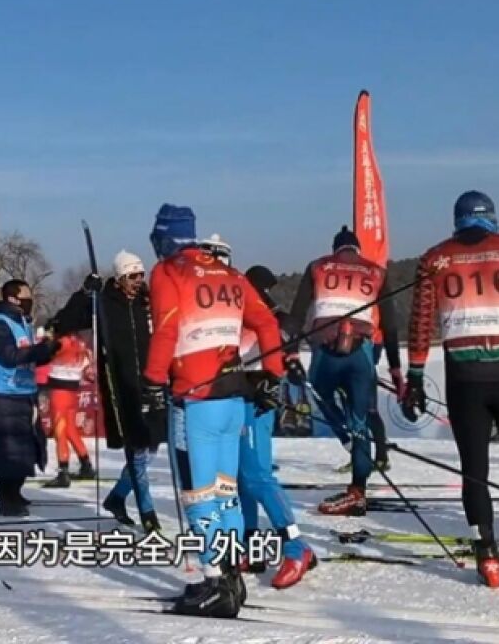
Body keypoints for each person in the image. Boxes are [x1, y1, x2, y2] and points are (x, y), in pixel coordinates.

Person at [403, 191, 499, 588]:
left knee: (474, 471)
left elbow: (421, 322)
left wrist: (416, 376)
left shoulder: (435, 258)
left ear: (456, 219)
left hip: (465, 376)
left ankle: (486, 553)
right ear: (492, 216)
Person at [142, 204, 289, 618]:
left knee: (200, 494)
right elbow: (267, 323)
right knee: (226, 493)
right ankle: (230, 576)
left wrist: (153, 381)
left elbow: (168, 327)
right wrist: (272, 375)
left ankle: (212, 582)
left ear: (165, 238)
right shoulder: (230, 273)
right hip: (233, 398)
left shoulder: (168, 272)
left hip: (196, 398)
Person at [286, 226, 402, 516]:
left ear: (335, 248)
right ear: (357, 249)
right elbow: (389, 324)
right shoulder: (376, 272)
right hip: (360, 353)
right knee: (361, 421)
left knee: (320, 396)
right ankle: (357, 490)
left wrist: (290, 350)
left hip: (325, 352)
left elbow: (297, 314)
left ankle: (344, 435)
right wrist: (396, 368)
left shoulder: (317, 266)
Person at [50, 250, 164, 532]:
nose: (138, 281)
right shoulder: (103, 304)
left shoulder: (148, 302)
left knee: (150, 449)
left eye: (140, 275)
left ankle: (116, 497)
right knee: (136, 452)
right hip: (121, 388)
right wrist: (83, 294)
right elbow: (63, 323)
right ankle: (149, 515)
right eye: (131, 276)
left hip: (152, 385)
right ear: (119, 277)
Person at [238, 264, 315, 588]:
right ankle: (252, 547)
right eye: (263, 291)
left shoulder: (266, 314)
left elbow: (284, 330)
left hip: (258, 397)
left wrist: (292, 360)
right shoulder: (237, 311)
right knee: (243, 476)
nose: (268, 297)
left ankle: (296, 548)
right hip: (236, 396)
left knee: (257, 475)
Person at [0, 279, 60, 517]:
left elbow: (29, 355)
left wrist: (48, 350)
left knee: (26, 448)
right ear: (13, 299)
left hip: (23, 391)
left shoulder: (22, 322)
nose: (30, 301)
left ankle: (14, 490)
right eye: (26, 296)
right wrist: (39, 350)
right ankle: (7, 496)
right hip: (2, 394)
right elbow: (9, 355)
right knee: (9, 449)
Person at [40, 334, 96, 487]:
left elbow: (44, 354)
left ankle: (63, 472)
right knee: (70, 429)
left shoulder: (61, 341)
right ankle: (86, 465)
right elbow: (87, 365)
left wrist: (45, 343)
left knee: (60, 431)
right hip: (72, 390)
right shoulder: (80, 342)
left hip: (59, 390)